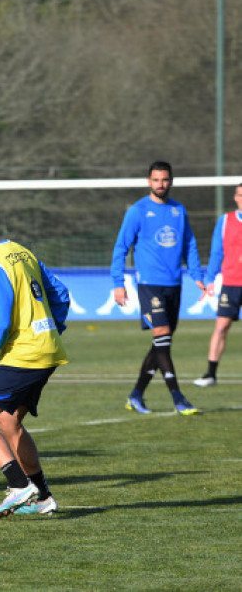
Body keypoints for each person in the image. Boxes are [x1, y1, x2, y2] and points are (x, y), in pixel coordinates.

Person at [0, 203, 69, 519]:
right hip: (46, 350)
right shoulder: (23, 252)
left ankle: (19, 486)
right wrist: (53, 329)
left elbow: (0, 323)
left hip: (24, 355)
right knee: (7, 420)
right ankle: (43, 497)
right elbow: (60, 293)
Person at [111, 161, 204, 416]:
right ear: (148, 181)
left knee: (161, 343)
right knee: (161, 335)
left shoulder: (178, 210)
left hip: (174, 284)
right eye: (156, 180)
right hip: (149, 284)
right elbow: (121, 248)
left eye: (165, 180)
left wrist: (197, 274)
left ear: (171, 181)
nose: (160, 184)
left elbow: (190, 244)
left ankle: (136, 395)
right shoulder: (138, 211)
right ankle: (178, 396)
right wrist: (118, 284)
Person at [193, 184, 242, 387]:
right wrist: (210, 278)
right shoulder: (225, 221)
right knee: (221, 327)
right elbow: (216, 252)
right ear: (235, 197)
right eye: (241, 194)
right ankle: (211, 374)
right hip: (231, 283)